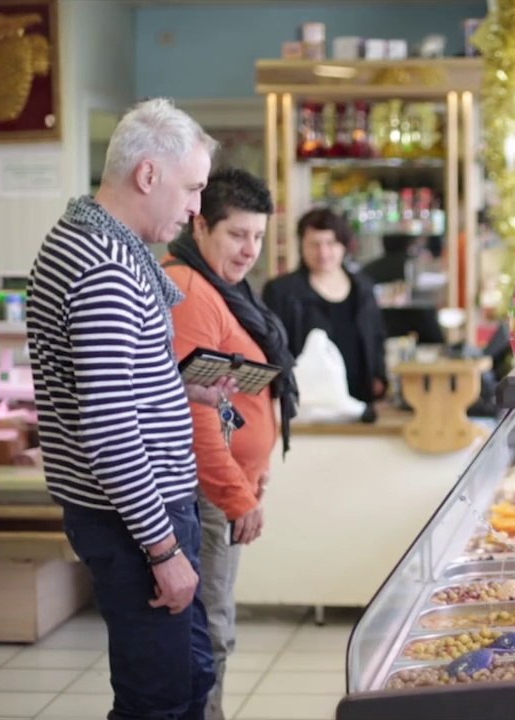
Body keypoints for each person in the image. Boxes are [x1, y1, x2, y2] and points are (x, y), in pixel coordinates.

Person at [26, 98, 225, 719]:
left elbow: (111, 382)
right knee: (157, 701)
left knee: (189, 678)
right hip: (138, 521)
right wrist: (163, 552)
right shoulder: (106, 268)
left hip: (132, 514)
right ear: (148, 174)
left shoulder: (83, 238)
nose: (196, 208)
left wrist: (176, 386)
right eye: (192, 188)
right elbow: (110, 430)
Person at [162, 168, 298, 720]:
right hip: (208, 494)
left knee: (213, 628)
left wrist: (251, 478)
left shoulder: (221, 286)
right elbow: (194, 414)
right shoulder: (192, 291)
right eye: (237, 234)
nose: (250, 250)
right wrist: (237, 496)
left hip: (226, 489)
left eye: (258, 236)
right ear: (200, 225)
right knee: (210, 633)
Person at [262, 207, 386, 420]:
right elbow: (272, 348)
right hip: (307, 406)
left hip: (360, 399)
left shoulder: (363, 288)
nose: (323, 252)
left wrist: (379, 376)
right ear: (301, 245)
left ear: (343, 245)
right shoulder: (281, 291)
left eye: (331, 243)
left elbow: (377, 335)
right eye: (314, 244)